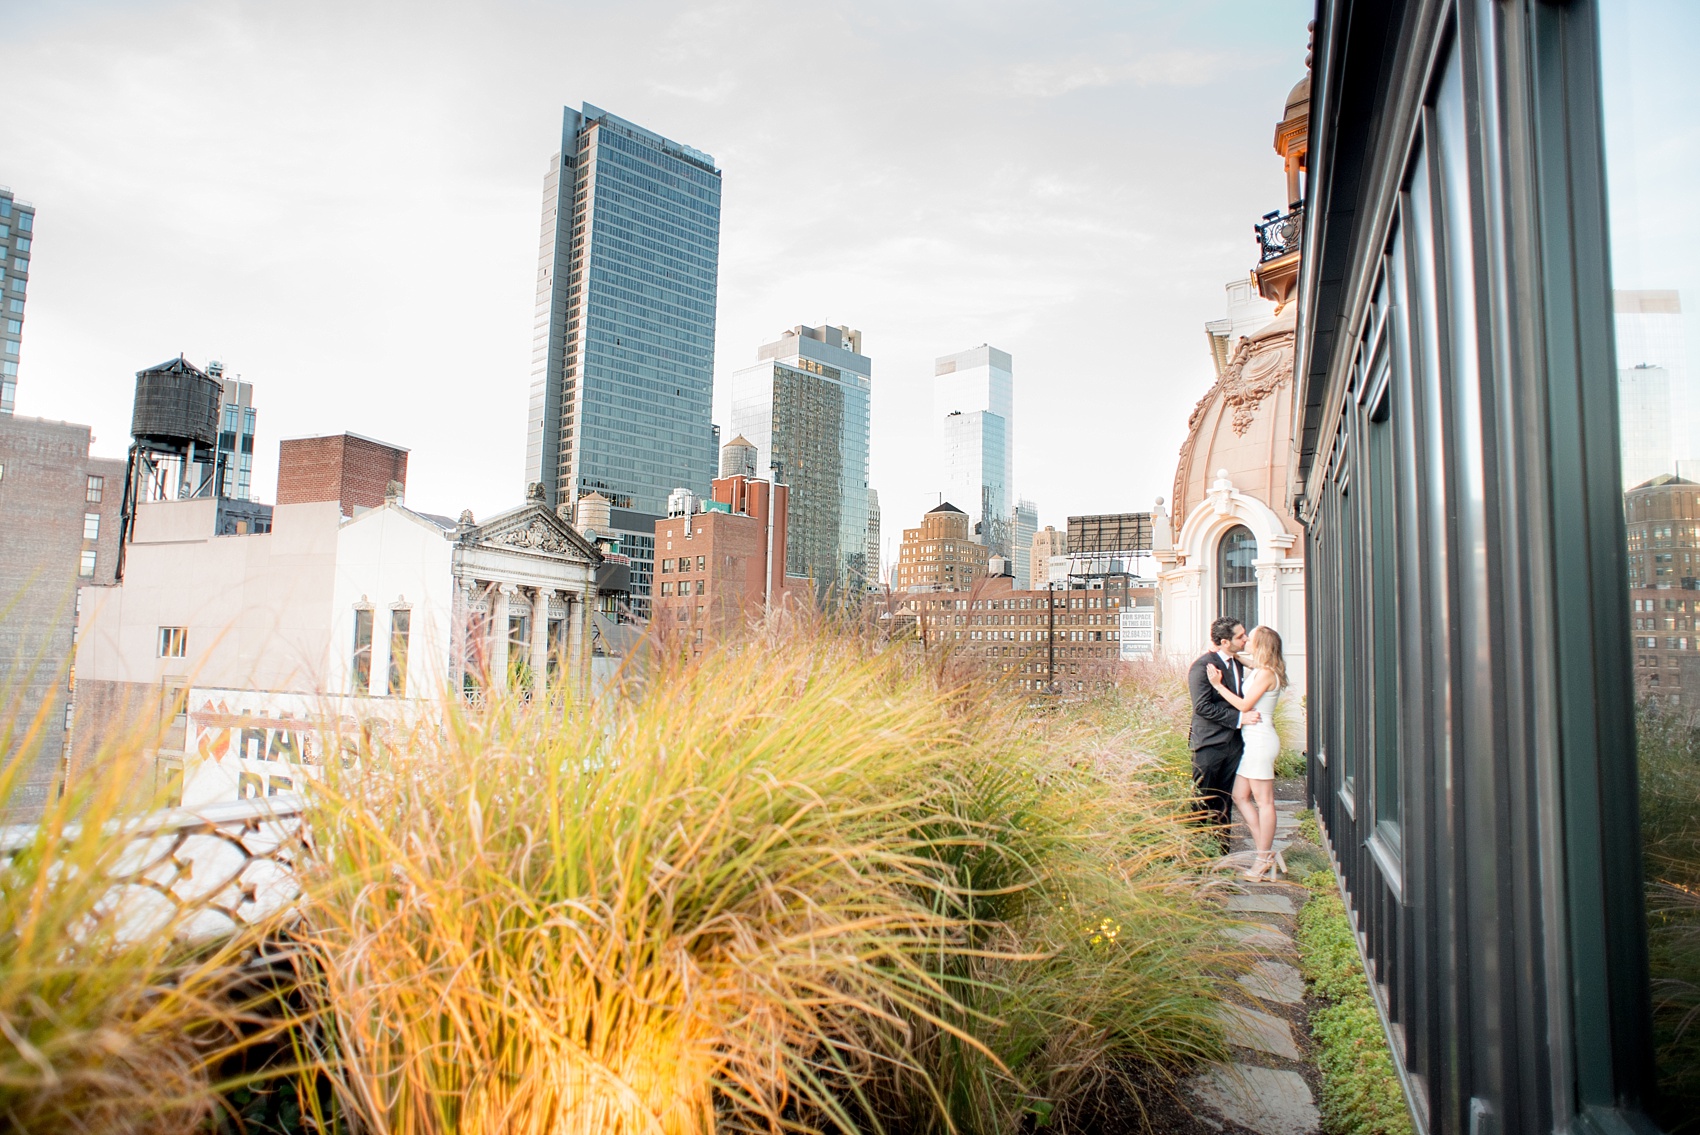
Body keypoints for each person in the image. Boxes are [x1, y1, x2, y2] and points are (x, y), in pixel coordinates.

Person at [1207, 625, 1288, 881]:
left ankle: (1262, 858)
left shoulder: (1266, 674)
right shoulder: (1260, 669)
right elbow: (1244, 661)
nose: (1246, 642)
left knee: (1265, 802)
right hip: (1253, 741)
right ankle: (1265, 851)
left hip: (1261, 740)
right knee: (1240, 796)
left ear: (1261, 645)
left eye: (1250, 639)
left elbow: (1244, 705)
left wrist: (1218, 685)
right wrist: (1222, 650)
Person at [1188, 617, 1260, 852]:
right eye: (1240, 636)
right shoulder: (1202, 667)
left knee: (1224, 801)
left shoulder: (1237, 662)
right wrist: (1239, 719)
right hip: (1208, 745)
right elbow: (1202, 707)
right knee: (1201, 801)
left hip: (1233, 744)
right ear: (1224, 641)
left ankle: (1221, 852)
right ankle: (1195, 856)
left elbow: (1260, 664)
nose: (1246, 638)